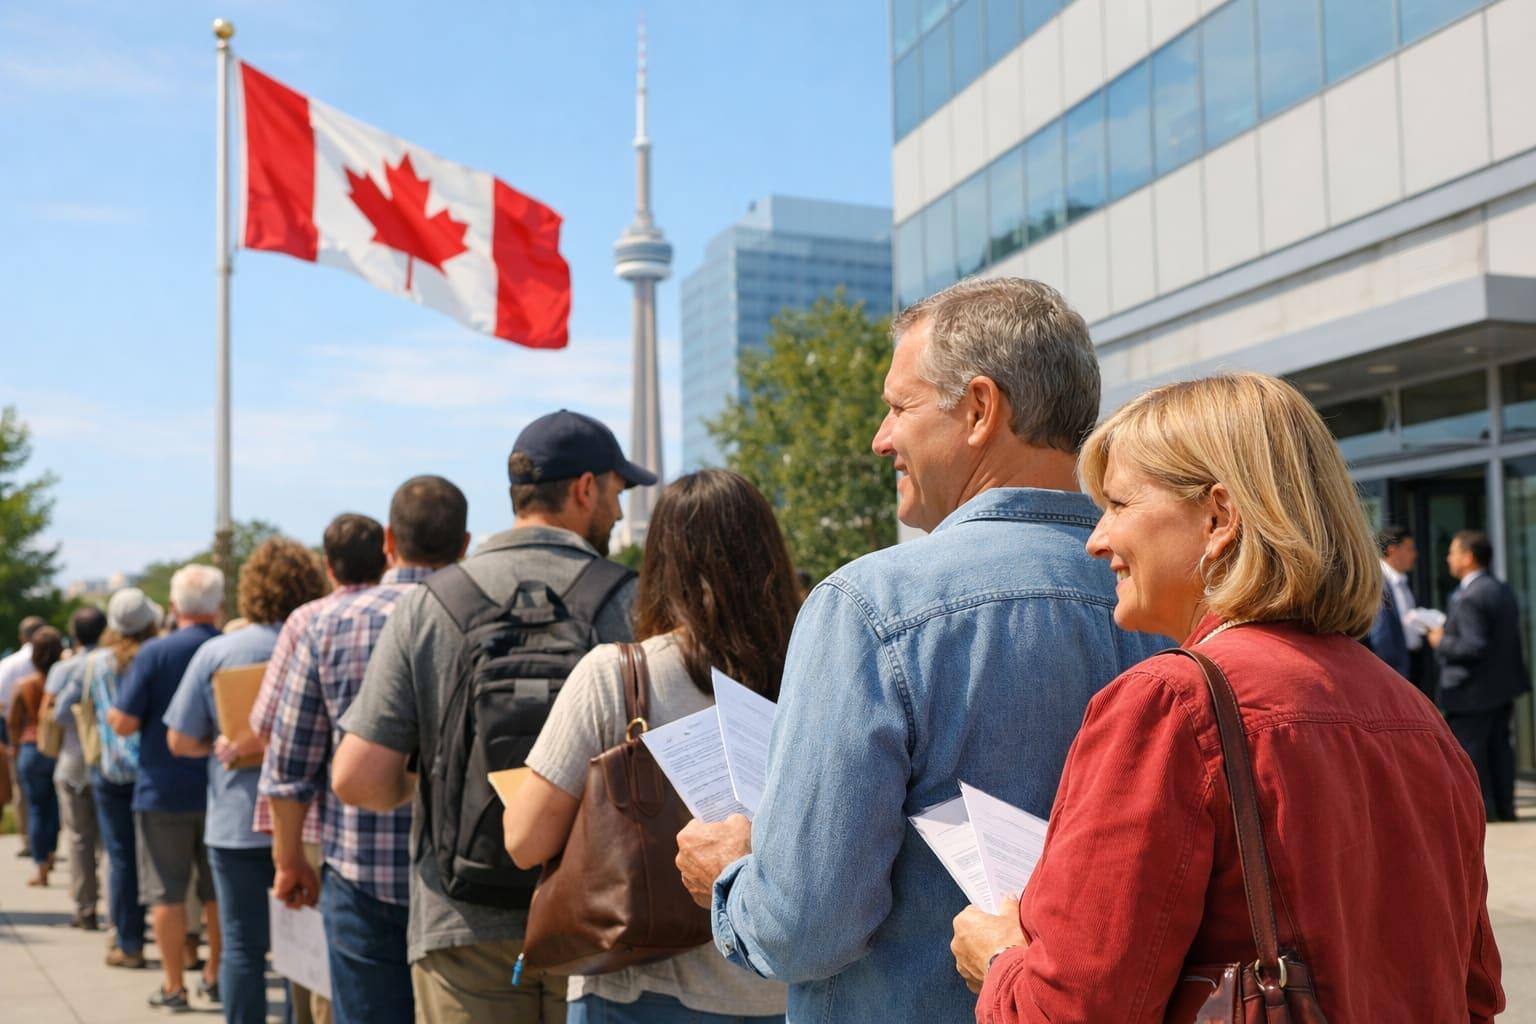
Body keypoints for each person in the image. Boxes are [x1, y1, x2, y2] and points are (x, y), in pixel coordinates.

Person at [672, 278, 1166, 1022]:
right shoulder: (1185, 605)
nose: (880, 438)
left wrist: (734, 876)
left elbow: (805, 928)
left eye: (899, 407)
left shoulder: (870, 606)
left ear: (978, 409)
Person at [949, 372, 1503, 1022]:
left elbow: (1072, 1011)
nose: (1097, 540)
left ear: (1218, 517)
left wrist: (997, 961)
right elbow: (1474, 995)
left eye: (1119, 505)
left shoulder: (1171, 705)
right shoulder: (1415, 717)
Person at [334, 410, 654, 1024]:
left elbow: (357, 778)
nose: (617, 511)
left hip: (461, 923)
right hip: (600, 923)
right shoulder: (633, 598)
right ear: (586, 489)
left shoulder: (430, 604)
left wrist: (437, 781)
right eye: (617, 492)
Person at [506, 469, 795, 1024]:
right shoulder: (817, 674)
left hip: (639, 992)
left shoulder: (616, 675)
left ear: (661, 563)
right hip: (783, 990)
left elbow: (524, 841)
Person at [263, 479, 469, 1024]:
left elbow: (289, 762)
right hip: (468, 878)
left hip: (360, 872)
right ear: (466, 542)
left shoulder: (326, 622)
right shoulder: (484, 615)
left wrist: (288, 859)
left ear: (388, 540)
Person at [165, 539, 329, 1024]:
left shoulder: (220, 652)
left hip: (236, 819)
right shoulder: (315, 638)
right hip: (310, 821)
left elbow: (179, 739)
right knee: (306, 949)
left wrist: (225, 746)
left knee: (240, 947)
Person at [247, 512, 382, 1024]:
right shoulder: (419, 610)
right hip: (400, 819)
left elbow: (268, 723)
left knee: (325, 972)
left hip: (320, 820)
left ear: (328, 565)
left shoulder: (309, 621)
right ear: (385, 555)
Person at [110, 564, 225, 1011]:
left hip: (162, 790)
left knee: (167, 892)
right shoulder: (228, 649)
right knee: (219, 893)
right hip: (221, 791)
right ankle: (216, 973)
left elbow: (123, 721)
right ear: (219, 606)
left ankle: (174, 985)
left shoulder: (154, 654)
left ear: (174, 606)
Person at [76, 589, 158, 968]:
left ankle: (129, 941)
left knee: (121, 858)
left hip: (109, 768)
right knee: (160, 859)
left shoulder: (95, 662)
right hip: (152, 768)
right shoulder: (155, 657)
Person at [1428, 529, 1529, 823]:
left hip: (1472, 692)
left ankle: (1477, 813)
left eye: (1453, 552)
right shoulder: (1500, 588)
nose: (1448, 558)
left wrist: (1440, 641)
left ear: (1468, 557)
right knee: (1500, 753)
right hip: (1501, 688)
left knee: (1470, 757)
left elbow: (1472, 646)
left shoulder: (1470, 596)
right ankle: (1504, 808)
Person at [45, 606, 109, 929]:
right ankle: (119, 915)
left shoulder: (66, 667)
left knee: (80, 839)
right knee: (111, 843)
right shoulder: (116, 662)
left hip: (73, 761)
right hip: (110, 762)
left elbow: (56, 715)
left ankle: (85, 908)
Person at [7, 625, 65, 886]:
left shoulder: (24, 686)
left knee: (37, 808)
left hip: (31, 749)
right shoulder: (63, 684)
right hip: (59, 749)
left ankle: (41, 865)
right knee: (54, 807)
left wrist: (15, 748)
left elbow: (13, 723)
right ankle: (51, 854)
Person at [1363, 524, 1434, 694]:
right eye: (1409, 549)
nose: (1415, 555)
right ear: (1393, 550)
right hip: (1392, 670)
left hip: (1411, 663)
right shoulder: (1377, 582)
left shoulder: (1401, 582)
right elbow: (1380, 634)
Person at [0, 615, 46, 851]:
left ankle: (30, 842)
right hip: (52, 735)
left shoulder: (9, 664)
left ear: (21, 636)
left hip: (18, 736)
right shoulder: (56, 661)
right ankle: (48, 844)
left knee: (23, 791)